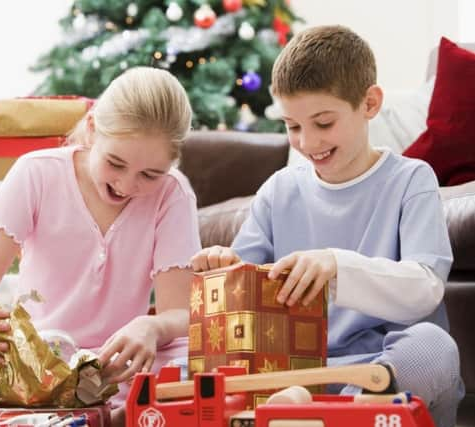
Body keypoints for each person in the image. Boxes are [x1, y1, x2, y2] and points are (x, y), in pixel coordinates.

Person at [191, 26, 464, 427]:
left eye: (323, 122)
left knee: (435, 345)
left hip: (382, 375)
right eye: (292, 126)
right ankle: (311, 408)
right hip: (297, 375)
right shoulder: (279, 191)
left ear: (369, 103)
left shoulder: (411, 180)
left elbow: (424, 290)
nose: (306, 142)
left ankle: (339, 413)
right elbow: (242, 290)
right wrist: (224, 265)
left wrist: (337, 265)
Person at [0, 66, 201, 423]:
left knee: (198, 368)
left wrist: (152, 327)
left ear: (171, 164)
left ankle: (113, 414)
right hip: (41, 362)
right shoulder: (37, 174)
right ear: (93, 129)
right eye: (116, 163)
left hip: (118, 367)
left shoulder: (173, 195)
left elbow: (180, 313)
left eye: (149, 175)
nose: (126, 185)